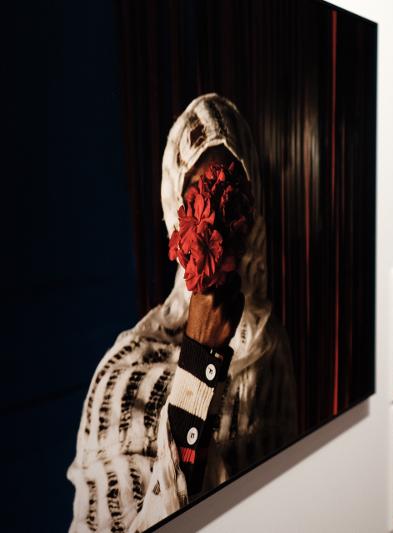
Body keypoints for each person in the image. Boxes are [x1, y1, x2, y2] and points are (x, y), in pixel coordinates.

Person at [68, 94, 298, 532]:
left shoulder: (270, 351)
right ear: (176, 208)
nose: (218, 225)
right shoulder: (125, 373)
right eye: (200, 196)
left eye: (233, 197)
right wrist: (200, 361)